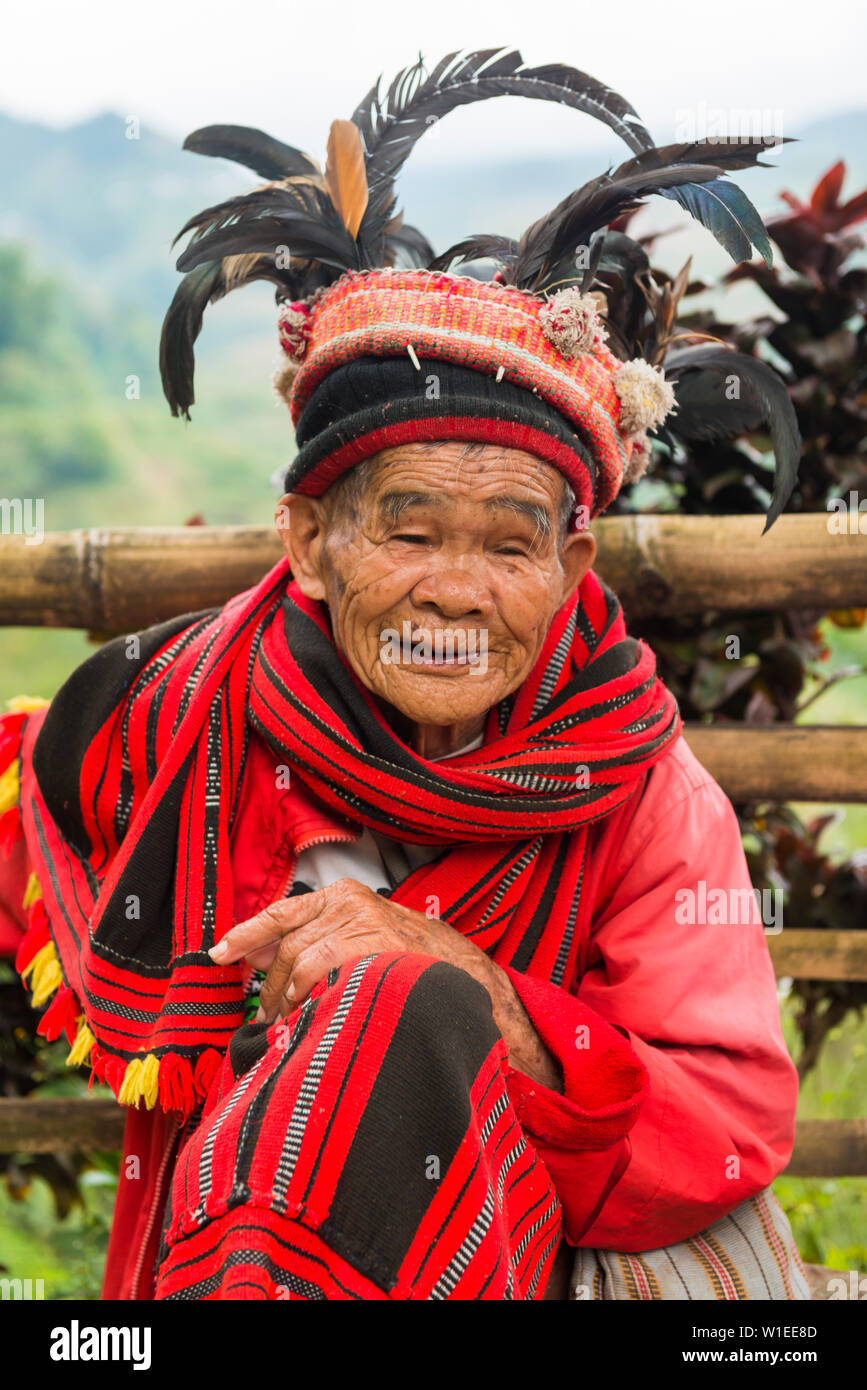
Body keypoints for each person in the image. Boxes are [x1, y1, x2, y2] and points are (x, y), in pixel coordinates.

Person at [0, 49, 809, 1300]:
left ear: (575, 560)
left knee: (404, 1008)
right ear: (311, 543)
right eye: (411, 530)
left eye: (510, 543)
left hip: (520, 1260)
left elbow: (728, 1112)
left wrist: (467, 988)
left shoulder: (647, 792)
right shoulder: (188, 718)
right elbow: (35, 782)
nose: (456, 590)